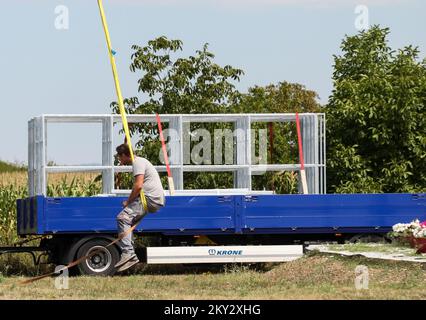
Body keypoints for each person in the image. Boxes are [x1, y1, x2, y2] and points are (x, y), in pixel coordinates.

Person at [114, 143, 165, 272]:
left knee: (122, 218)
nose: (119, 161)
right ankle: (129, 255)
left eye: (119, 158)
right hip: (152, 199)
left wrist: (128, 202)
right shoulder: (140, 162)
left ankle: (128, 254)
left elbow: (138, 186)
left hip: (148, 198)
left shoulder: (138, 162)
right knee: (129, 222)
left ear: (125, 155)